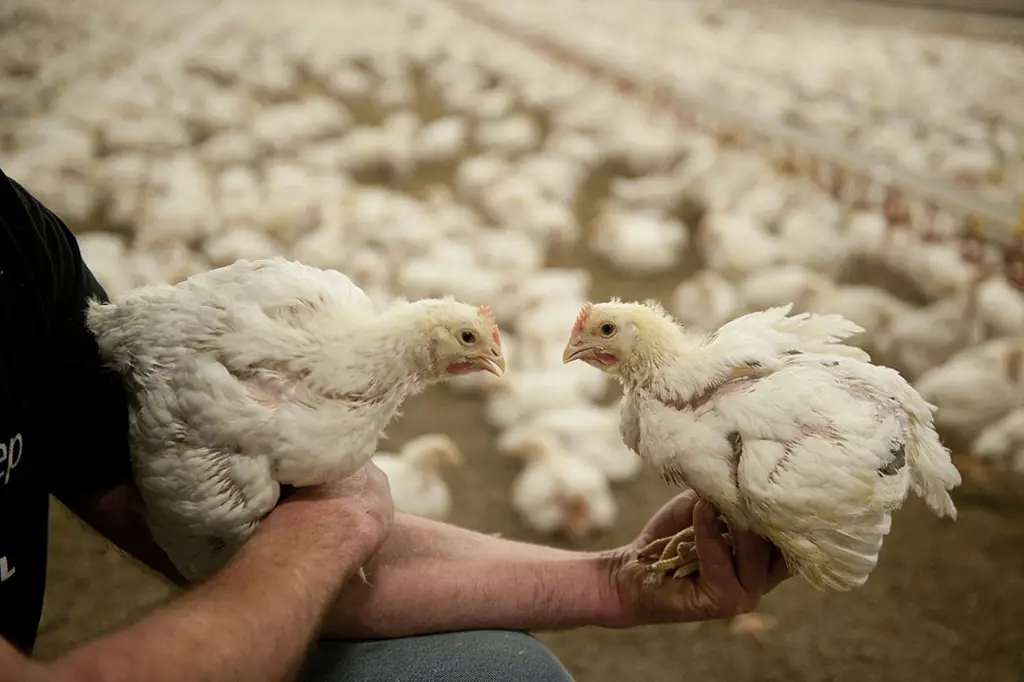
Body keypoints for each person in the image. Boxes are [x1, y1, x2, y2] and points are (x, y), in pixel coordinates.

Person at [0, 165, 790, 682]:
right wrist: (330, 530)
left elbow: (279, 550)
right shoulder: (267, 423)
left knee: (507, 673)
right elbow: (300, 545)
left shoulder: (22, 247)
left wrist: (616, 579)